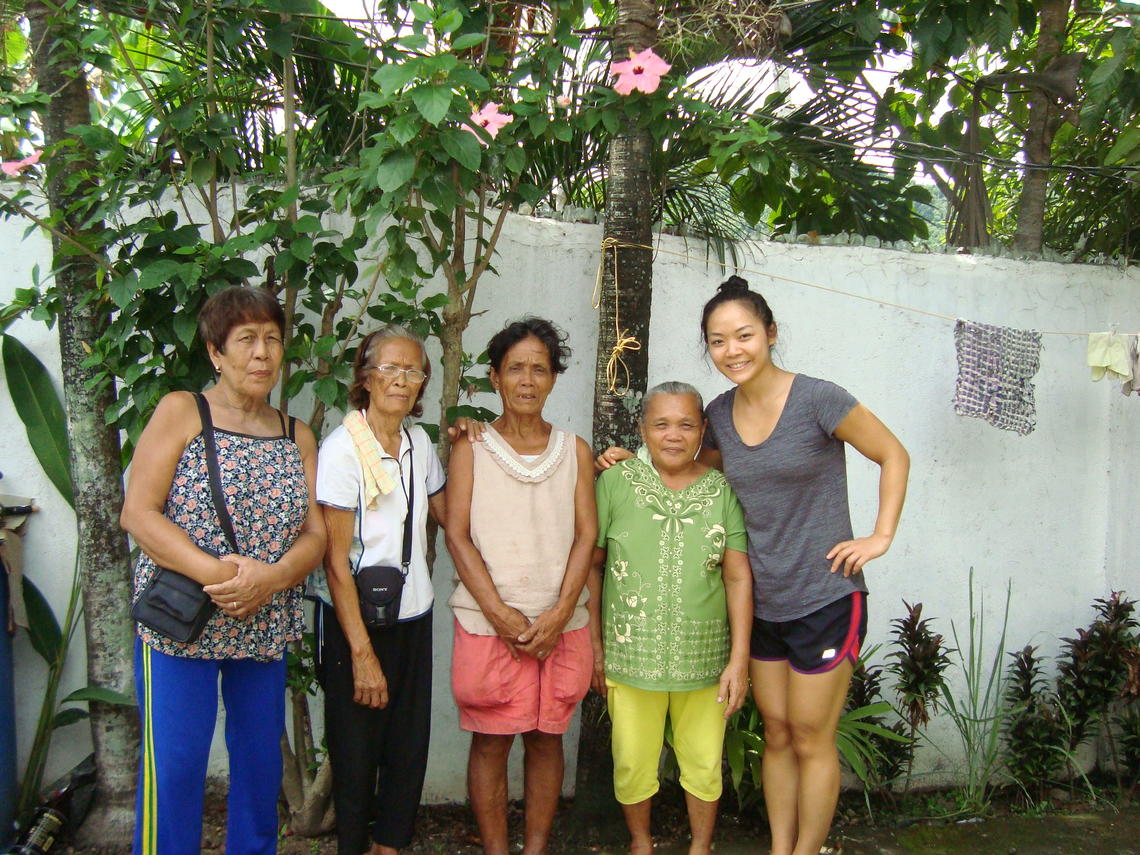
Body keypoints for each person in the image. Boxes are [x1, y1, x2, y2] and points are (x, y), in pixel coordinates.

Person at [598, 276, 910, 855]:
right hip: (762, 603)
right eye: (718, 341)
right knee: (780, 734)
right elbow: (690, 468)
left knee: (813, 736)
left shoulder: (818, 398)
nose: (732, 350)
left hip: (824, 594)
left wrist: (879, 536)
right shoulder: (716, 412)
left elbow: (893, 453)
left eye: (744, 335)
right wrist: (632, 462)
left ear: (770, 334)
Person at [121, 285, 325, 855]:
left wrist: (274, 578)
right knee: (177, 768)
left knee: (260, 767)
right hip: (181, 622)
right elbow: (138, 513)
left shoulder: (295, 434)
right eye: (246, 340)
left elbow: (315, 534)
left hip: (262, 622)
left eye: (273, 340)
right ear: (215, 350)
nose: (263, 354)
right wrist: (221, 574)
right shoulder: (183, 411)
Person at [445, 318, 597, 855]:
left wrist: (559, 613)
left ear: (554, 378)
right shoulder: (472, 446)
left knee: (547, 737)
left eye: (539, 368)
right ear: (494, 377)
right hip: (489, 624)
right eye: (515, 368)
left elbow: (587, 535)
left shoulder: (574, 449)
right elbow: (458, 536)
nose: (527, 380)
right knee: (490, 742)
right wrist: (501, 613)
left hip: (562, 625)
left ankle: (534, 849)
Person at [588, 382, 753, 855]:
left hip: (704, 659)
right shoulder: (615, 482)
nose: (673, 435)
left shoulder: (722, 490)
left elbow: (738, 577)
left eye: (685, 424)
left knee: (703, 762)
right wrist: (597, 646)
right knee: (632, 761)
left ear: (702, 430)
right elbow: (592, 566)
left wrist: (738, 658)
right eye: (661, 424)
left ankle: (701, 846)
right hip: (630, 652)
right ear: (643, 429)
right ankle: (641, 843)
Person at [312, 325, 447, 855]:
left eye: (412, 370)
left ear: (422, 383)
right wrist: (362, 654)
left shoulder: (418, 443)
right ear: (366, 377)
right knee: (355, 750)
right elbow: (335, 563)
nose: (400, 379)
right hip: (354, 623)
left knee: (409, 746)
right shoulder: (343, 449)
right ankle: (352, 846)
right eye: (388, 368)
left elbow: (447, 512)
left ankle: (389, 846)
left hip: (413, 612)